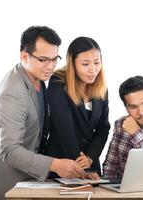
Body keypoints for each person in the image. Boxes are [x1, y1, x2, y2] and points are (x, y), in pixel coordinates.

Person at [0, 26, 86, 200]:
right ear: (24, 56)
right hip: (3, 180)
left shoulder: (37, 76)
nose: (51, 66)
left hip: (29, 173)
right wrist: (55, 164)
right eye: (43, 60)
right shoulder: (11, 94)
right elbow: (10, 151)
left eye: (54, 59)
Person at [45, 37, 110, 178]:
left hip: (90, 164)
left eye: (97, 63)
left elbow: (103, 128)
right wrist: (81, 170)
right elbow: (64, 127)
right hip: (63, 163)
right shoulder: (58, 83)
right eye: (85, 64)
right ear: (72, 64)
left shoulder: (102, 89)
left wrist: (90, 158)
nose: (93, 70)